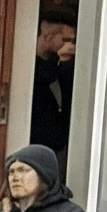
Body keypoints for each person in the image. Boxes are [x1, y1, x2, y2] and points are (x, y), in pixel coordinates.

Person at [27, 20, 75, 156]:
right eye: (66, 39)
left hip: (56, 140)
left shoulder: (56, 66)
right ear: (48, 38)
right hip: (41, 139)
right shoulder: (35, 69)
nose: (70, 44)